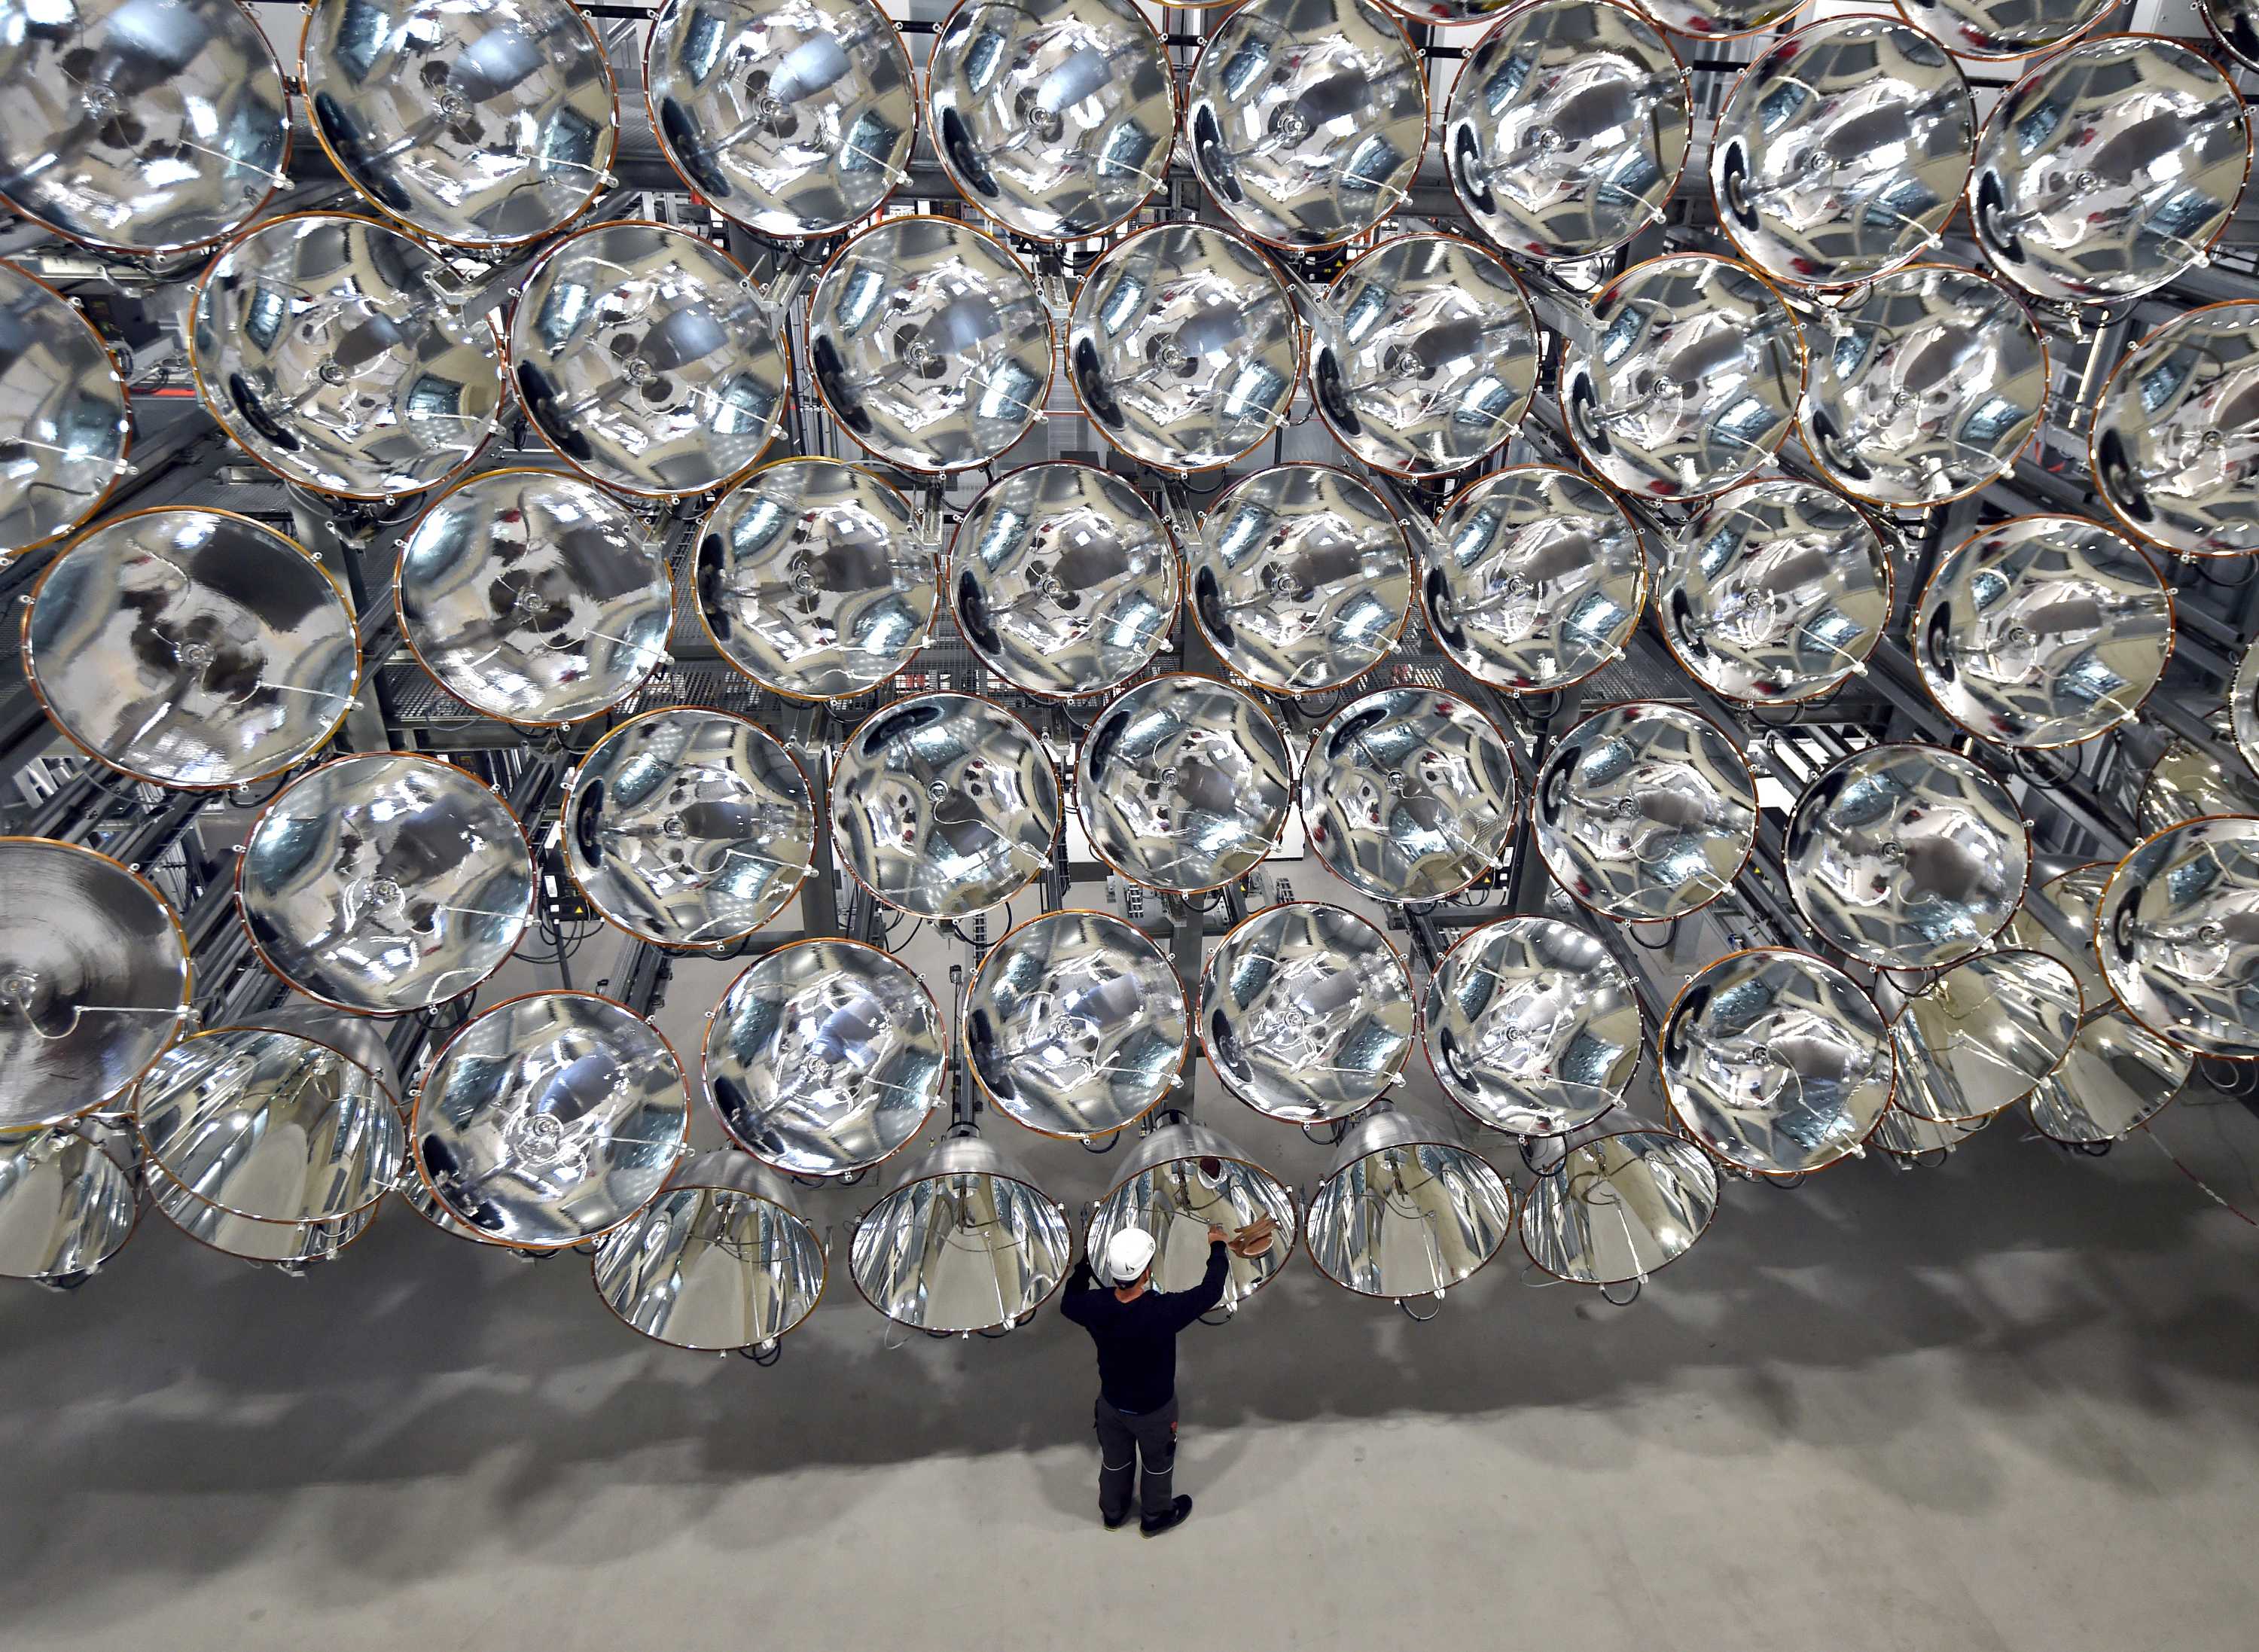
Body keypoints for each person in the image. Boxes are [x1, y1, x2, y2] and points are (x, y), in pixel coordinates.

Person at [1059, 1224, 1230, 1536]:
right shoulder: (1163, 1311)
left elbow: (1068, 1302)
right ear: (1147, 1273)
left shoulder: (1095, 1306)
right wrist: (1217, 1246)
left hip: (1112, 1406)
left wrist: (1083, 1266)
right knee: (1158, 1464)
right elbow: (1210, 1291)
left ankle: (1113, 1512)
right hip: (1155, 1411)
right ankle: (1155, 1516)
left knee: (1114, 1462)